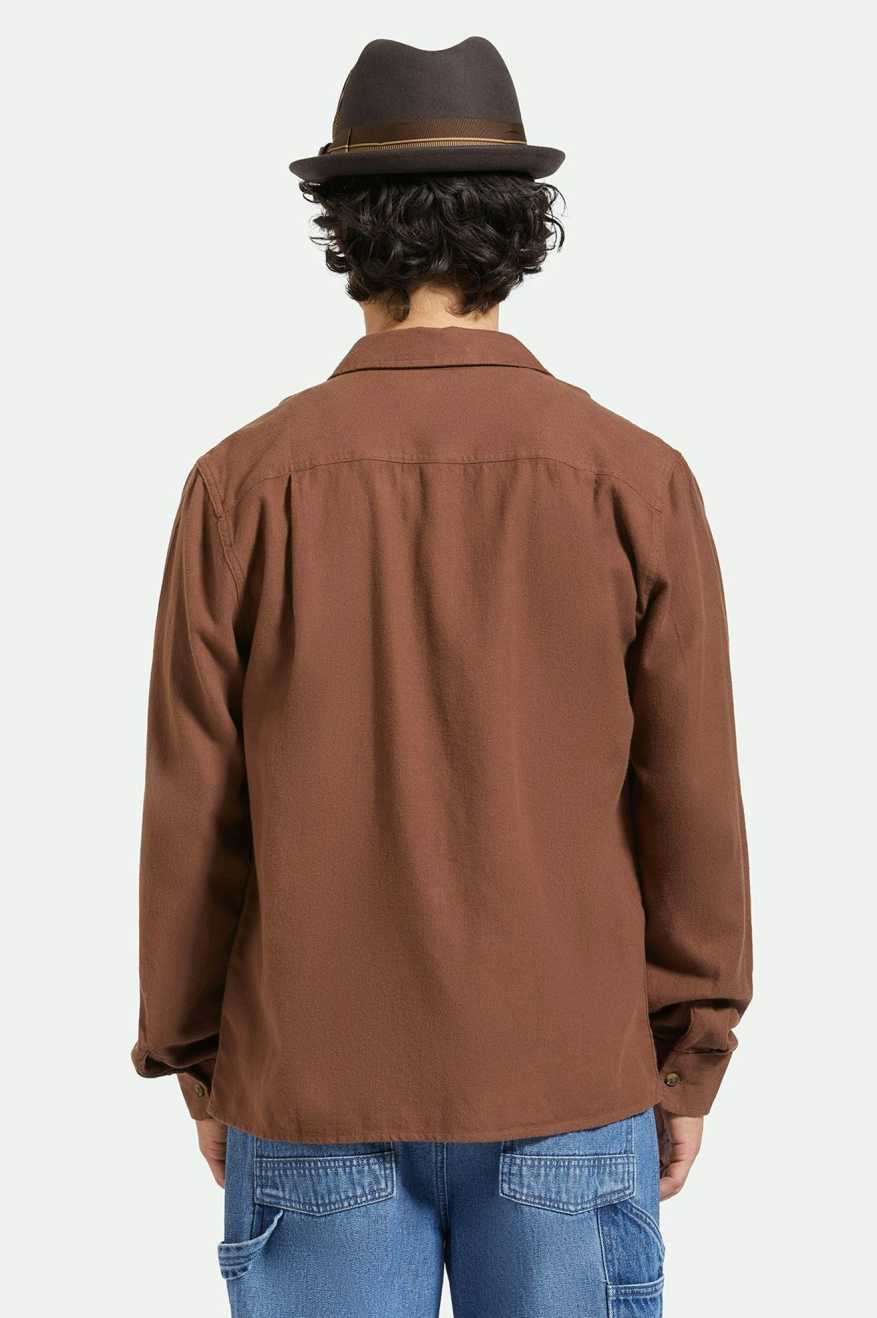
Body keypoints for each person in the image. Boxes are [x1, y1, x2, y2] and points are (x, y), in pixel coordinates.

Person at [131, 36, 752, 1318]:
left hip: (312, 1078)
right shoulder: (633, 478)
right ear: (516, 237)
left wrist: (201, 1060)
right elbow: (690, 797)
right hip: (569, 1075)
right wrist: (688, 1059)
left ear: (345, 234)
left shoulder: (243, 484)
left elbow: (195, 806)